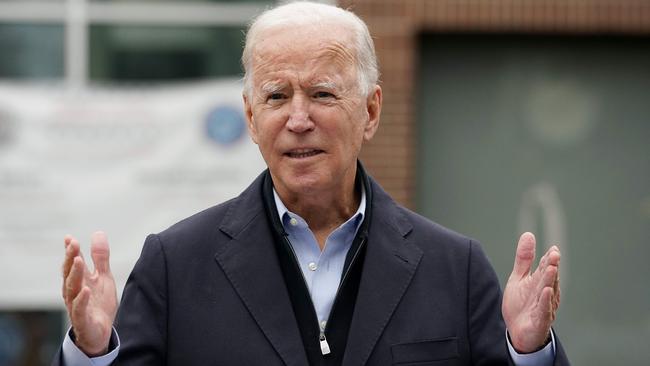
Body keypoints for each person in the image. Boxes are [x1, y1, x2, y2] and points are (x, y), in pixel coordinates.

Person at [54, 1, 569, 365]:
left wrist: (527, 352)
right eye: (277, 97)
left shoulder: (454, 270)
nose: (298, 119)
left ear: (370, 110)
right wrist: (94, 354)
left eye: (322, 93)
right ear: (251, 118)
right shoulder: (174, 266)